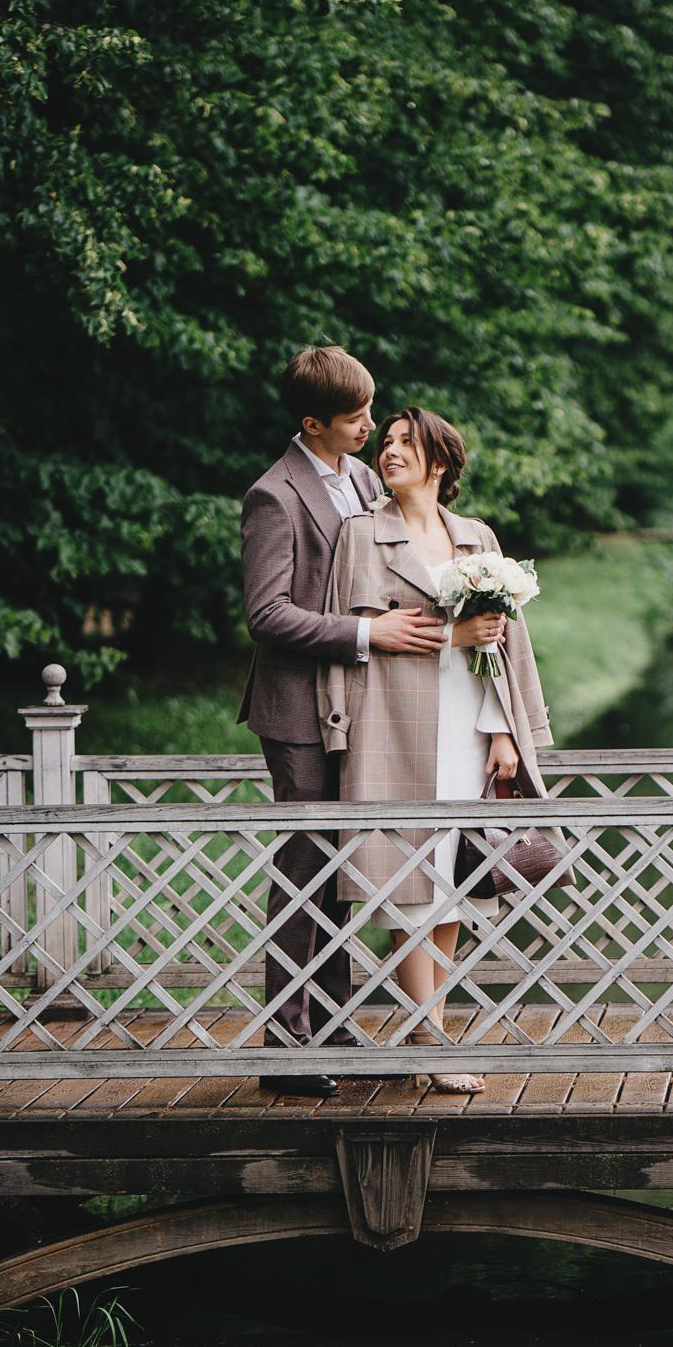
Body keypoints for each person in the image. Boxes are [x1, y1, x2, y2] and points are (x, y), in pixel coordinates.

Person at [319, 407, 553, 1094]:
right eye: (383, 442)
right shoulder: (359, 534)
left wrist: (507, 731)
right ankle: (428, 1038)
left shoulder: (475, 537)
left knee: (450, 888)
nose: (387, 452)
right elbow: (346, 633)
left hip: (466, 730)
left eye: (403, 443)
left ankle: (430, 1028)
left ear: (440, 463)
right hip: (389, 731)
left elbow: (506, 644)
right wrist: (337, 728)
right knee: (405, 888)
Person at [239, 347, 447, 1096]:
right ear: (311, 423)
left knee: (341, 868)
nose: (371, 428)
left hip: (354, 709)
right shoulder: (274, 496)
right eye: (357, 418)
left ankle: (326, 1019)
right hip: (297, 711)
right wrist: (367, 635)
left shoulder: (362, 480)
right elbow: (266, 616)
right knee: (304, 868)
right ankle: (284, 1044)